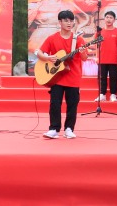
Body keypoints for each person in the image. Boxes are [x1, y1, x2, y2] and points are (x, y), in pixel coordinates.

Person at [36, 10, 88, 139]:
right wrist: (48, 58)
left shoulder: (78, 39)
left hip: (73, 75)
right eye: (66, 20)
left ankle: (69, 129)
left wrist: (82, 52)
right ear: (60, 22)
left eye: (71, 21)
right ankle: (54, 129)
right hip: (56, 77)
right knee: (55, 103)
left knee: (72, 104)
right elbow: (39, 53)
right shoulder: (52, 38)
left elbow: (84, 58)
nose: (69, 23)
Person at [95, 11, 117, 103]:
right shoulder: (99, 32)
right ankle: (102, 94)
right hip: (102, 58)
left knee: (113, 77)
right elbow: (97, 45)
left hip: (113, 59)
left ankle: (113, 94)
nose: (109, 19)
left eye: (111, 17)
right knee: (102, 77)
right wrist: (97, 56)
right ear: (104, 19)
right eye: (107, 17)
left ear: (114, 20)